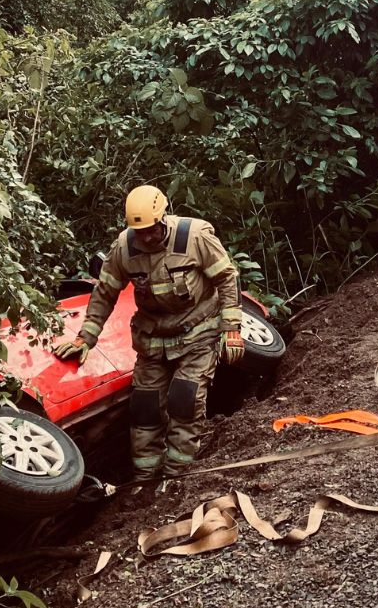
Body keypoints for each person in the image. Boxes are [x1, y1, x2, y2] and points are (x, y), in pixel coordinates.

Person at [53, 185, 244, 487]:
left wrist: (231, 327)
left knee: (185, 400)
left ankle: (177, 477)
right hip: (152, 339)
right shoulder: (124, 248)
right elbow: (105, 292)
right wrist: (85, 338)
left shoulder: (194, 237)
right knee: (145, 409)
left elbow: (227, 278)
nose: (146, 238)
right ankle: (144, 482)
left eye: (151, 230)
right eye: (139, 232)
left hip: (197, 333)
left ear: (163, 218)